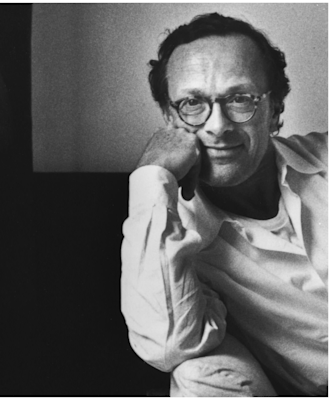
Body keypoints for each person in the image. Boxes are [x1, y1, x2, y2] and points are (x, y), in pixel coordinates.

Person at [120, 12, 327, 396]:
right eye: (192, 103)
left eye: (240, 98)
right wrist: (151, 175)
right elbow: (166, 345)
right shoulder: (176, 239)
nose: (217, 126)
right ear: (169, 119)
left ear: (275, 109)